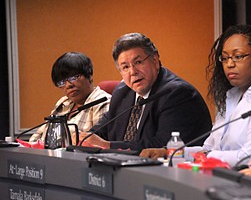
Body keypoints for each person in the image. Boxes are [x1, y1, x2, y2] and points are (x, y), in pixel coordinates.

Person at [140, 25, 251, 167]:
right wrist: (170, 153)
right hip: (220, 176)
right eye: (225, 58)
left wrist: (207, 155)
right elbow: (209, 147)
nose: (229, 64)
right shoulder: (232, 95)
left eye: (238, 56)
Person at [77, 32, 212, 151]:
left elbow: (161, 145)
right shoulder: (122, 92)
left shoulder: (177, 94)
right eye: (125, 67)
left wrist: (108, 145)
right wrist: (84, 137)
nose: (133, 72)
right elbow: (102, 130)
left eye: (139, 62)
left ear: (155, 60)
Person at [29, 52, 111, 144]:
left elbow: (95, 144)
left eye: (73, 77)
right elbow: (37, 137)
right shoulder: (63, 103)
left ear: (90, 76)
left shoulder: (103, 102)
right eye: (62, 82)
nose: (68, 85)